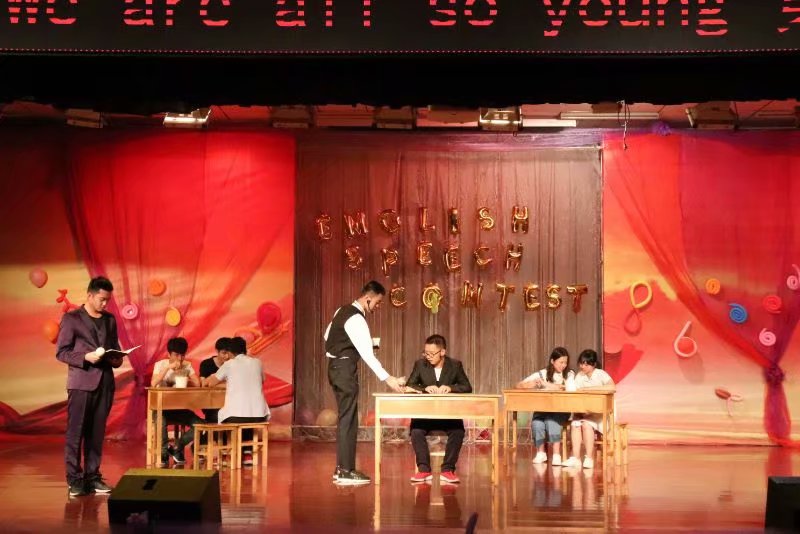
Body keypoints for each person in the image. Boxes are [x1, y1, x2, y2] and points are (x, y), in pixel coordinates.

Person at [324, 280, 403, 485]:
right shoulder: (357, 318)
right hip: (344, 370)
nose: (378, 307)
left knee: (346, 418)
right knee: (348, 419)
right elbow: (367, 355)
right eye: (377, 302)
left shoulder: (342, 310)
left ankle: (342, 468)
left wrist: (362, 344)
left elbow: (328, 336)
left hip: (335, 368)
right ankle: (345, 471)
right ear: (368, 298)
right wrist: (388, 378)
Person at [56, 276, 124, 497]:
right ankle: (74, 480)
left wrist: (118, 357)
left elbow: (114, 348)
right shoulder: (71, 319)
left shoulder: (110, 320)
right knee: (76, 433)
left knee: (96, 433)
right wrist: (85, 357)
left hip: (105, 383)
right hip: (81, 383)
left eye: (108, 300)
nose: (105, 304)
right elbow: (62, 352)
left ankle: (92, 477)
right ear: (90, 295)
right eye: (102, 299)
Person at [405, 334, 472, 484]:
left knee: (458, 431)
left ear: (442, 352)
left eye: (431, 353)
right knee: (416, 430)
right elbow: (410, 385)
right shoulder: (420, 364)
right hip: (425, 413)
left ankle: (448, 470)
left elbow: (467, 387)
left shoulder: (455, 365)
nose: (428, 357)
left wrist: (450, 388)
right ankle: (424, 470)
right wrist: (424, 389)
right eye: (426, 353)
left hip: (447, 413)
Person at [204, 336, 270, 466]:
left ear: (230, 352)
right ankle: (247, 452)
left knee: (226, 416)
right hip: (259, 416)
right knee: (245, 413)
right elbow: (262, 380)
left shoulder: (229, 364)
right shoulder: (257, 362)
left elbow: (210, 383)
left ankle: (227, 454)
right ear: (245, 349)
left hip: (235, 417)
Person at [516, 347, 573, 466]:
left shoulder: (569, 374)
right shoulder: (542, 373)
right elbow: (519, 385)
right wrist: (533, 384)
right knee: (537, 422)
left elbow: (563, 388)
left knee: (551, 421)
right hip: (543, 409)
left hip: (561, 409)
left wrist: (545, 384)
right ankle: (541, 453)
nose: (563, 365)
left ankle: (556, 454)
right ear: (552, 361)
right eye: (561, 362)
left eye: (565, 362)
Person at [150, 337, 203, 466]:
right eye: (176, 355)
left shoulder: (187, 365)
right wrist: (168, 368)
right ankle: (163, 454)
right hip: (161, 408)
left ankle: (177, 446)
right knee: (160, 421)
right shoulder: (160, 365)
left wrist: (183, 377)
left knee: (200, 424)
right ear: (169, 354)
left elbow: (197, 384)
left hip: (179, 409)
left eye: (182, 355)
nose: (179, 358)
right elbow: (153, 383)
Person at [563, 349, 615, 469]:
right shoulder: (579, 375)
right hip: (584, 411)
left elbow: (612, 387)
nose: (583, 367)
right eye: (581, 363)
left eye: (586, 364)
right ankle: (576, 458)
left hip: (599, 414)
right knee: (575, 424)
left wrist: (588, 389)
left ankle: (589, 458)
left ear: (594, 364)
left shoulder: (601, 374)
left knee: (586, 425)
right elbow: (575, 392)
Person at [199, 337, 233, 422]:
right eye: (224, 353)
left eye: (229, 353)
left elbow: (235, 385)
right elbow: (203, 384)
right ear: (217, 351)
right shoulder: (206, 364)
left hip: (230, 403)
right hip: (211, 405)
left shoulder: (232, 365)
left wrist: (214, 383)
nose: (227, 356)